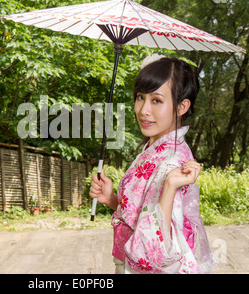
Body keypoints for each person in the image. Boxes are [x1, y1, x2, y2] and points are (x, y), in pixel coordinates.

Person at [89, 55, 215, 274]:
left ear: (182, 105)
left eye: (156, 100)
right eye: (140, 97)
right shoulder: (155, 147)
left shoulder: (171, 162)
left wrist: (169, 186)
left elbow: (156, 249)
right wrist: (111, 200)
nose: (143, 110)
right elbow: (142, 212)